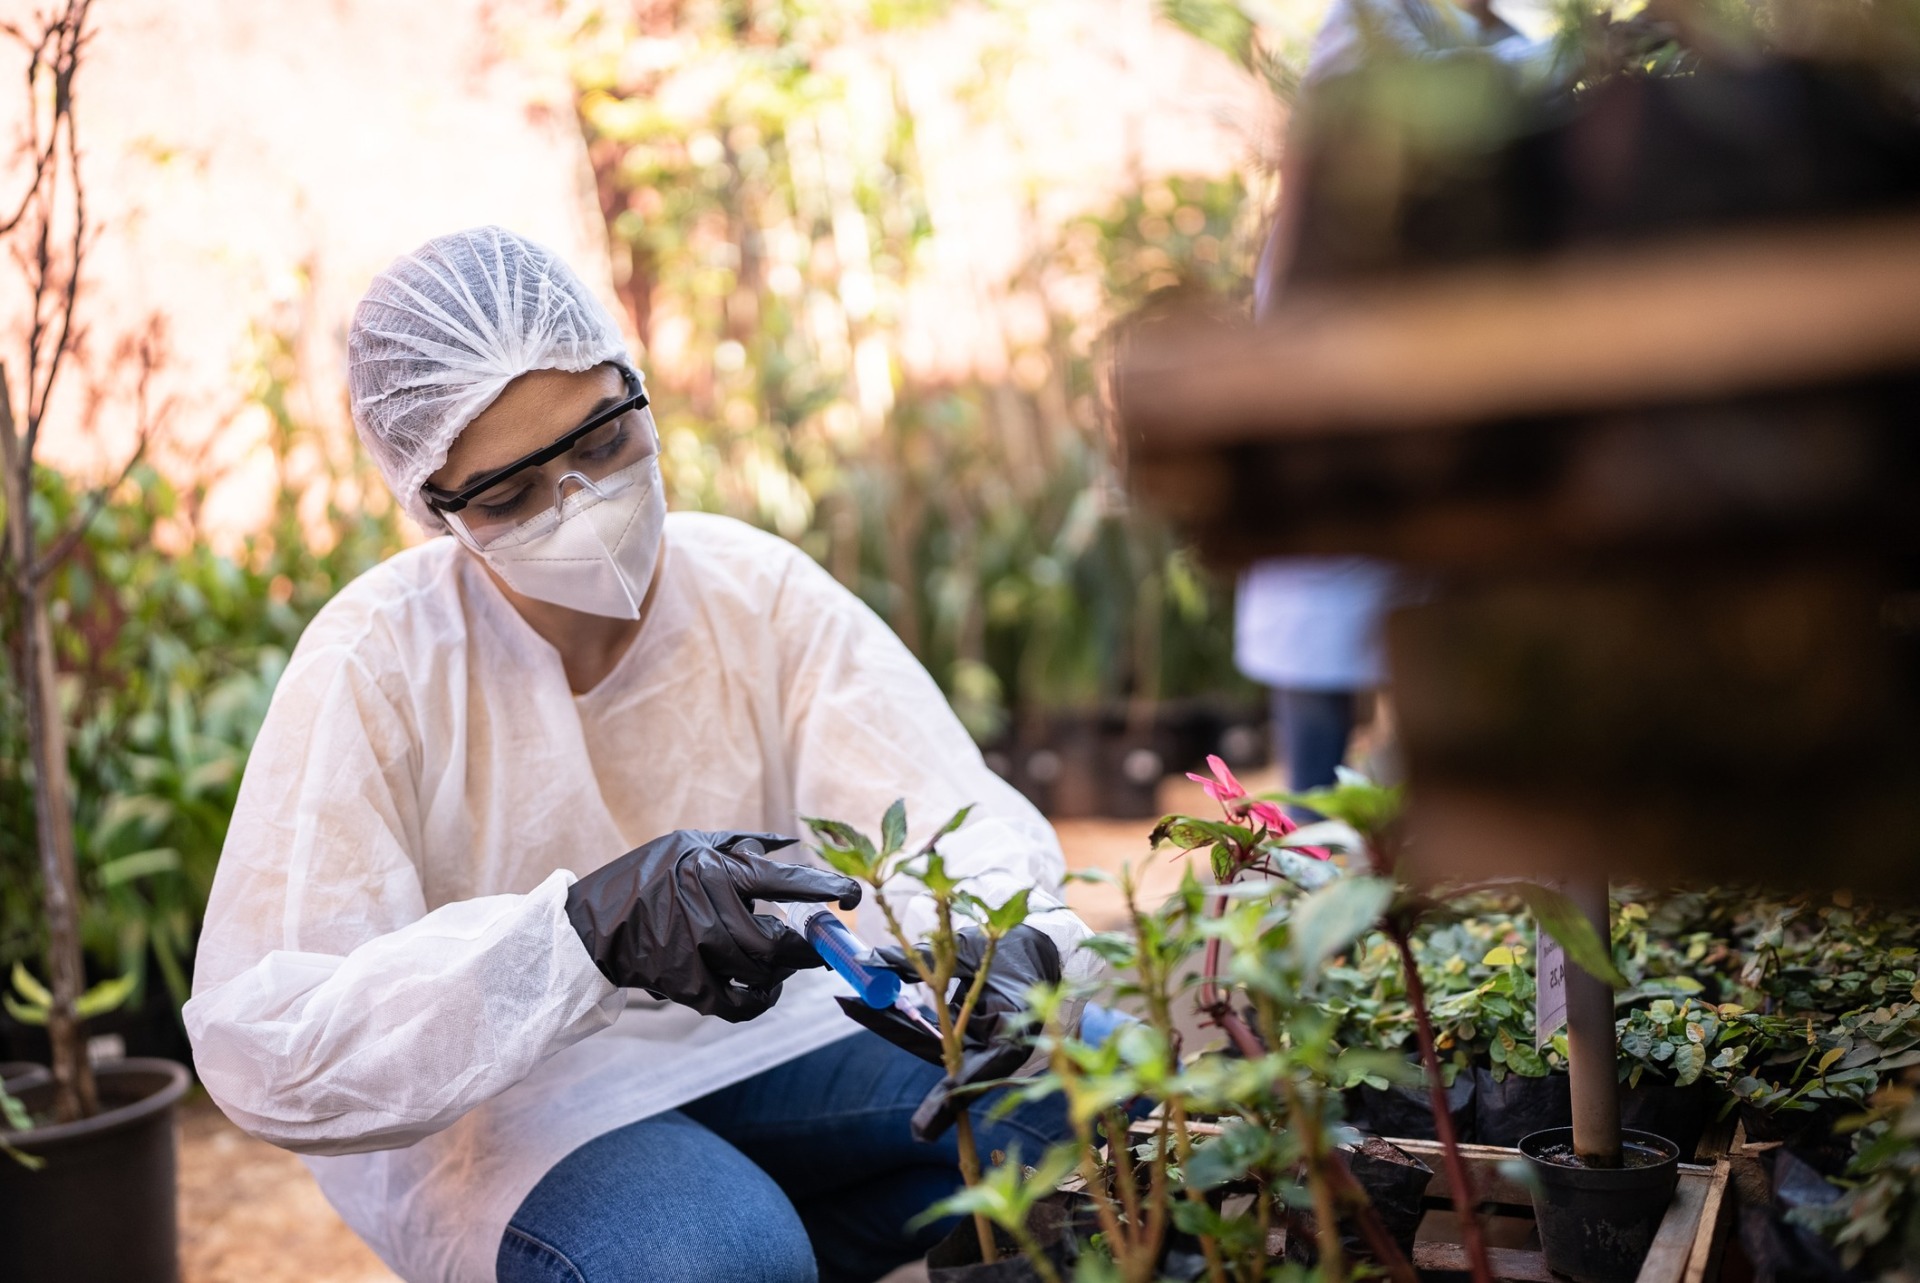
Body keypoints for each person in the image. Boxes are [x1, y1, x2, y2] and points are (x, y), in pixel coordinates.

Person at [183, 227, 1097, 1283]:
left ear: (638, 388)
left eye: (602, 439)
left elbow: (947, 814)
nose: (578, 503)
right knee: (710, 1254)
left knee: (1089, 1081)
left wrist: (1004, 940)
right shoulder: (379, 661)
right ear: (434, 508)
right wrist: (578, 936)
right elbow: (270, 1035)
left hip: (774, 1043)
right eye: (510, 493)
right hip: (520, 1103)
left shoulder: (758, 590)